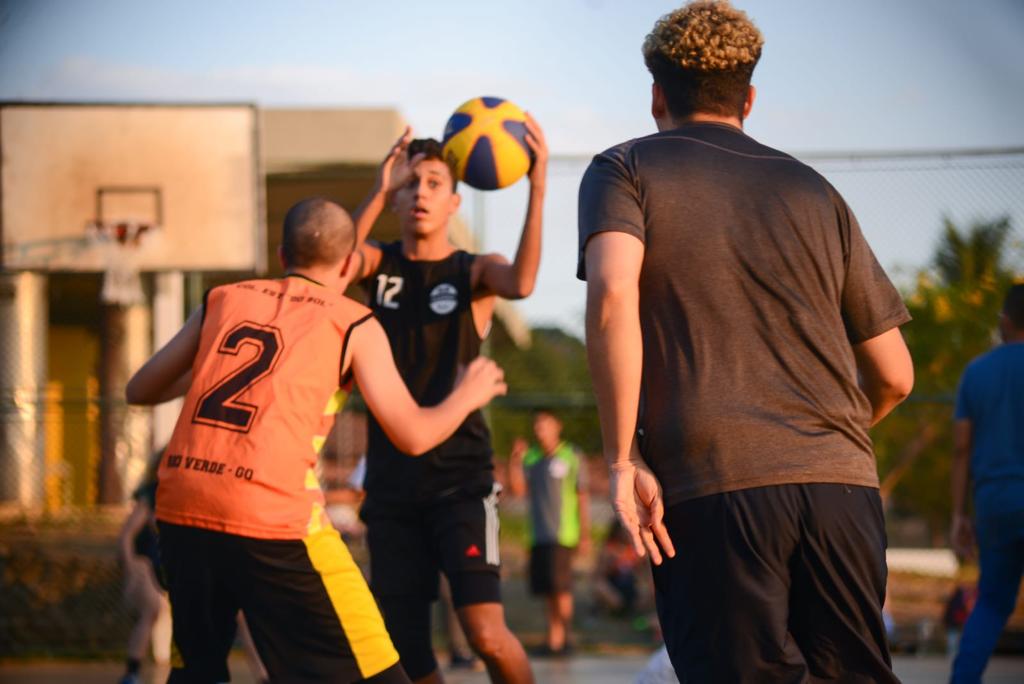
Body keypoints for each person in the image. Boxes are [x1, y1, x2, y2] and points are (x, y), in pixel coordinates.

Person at [578, 2, 915, 680]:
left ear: (655, 96)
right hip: (841, 485)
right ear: (750, 99)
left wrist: (622, 459)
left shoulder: (623, 169)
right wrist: (820, 441)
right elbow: (896, 375)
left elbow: (614, 293)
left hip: (716, 483)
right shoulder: (813, 189)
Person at [125, 197, 508, 683]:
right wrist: (467, 394)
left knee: (199, 670)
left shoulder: (225, 298)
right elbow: (412, 435)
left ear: (283, 255)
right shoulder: (352, 321)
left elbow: (139, 389)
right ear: (350, 264)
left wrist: (209, 365)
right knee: (378, 670)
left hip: (180, 506)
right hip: (271, 516)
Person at [347, 121, 548, 683]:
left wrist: (538, 186)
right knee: (406, 652)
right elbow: (331, 268)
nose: (421, 193)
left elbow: (525, 281)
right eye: (411, 183)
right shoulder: (376, 263)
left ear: (455, 200)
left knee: (485, 633)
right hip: (390, 481)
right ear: (396, 197)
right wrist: (378, 187)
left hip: (460, 479)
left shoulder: (472, 270)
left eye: (434, 182)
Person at [950, 283, 1024, 683]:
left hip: (995, 503)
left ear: (1004, 321)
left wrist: (959, 515)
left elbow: (962, 449)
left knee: (992, 602)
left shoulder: (977, 372)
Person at [507, 410, 590, 656]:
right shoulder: (531, 458)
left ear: (557, 426)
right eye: (537, 426)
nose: (539, 430)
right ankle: (553, 638)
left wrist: (584, 534)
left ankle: (566, 637)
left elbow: (581, 495)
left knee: (561, 588)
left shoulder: (571, 455)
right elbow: (519, 490)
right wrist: (515, 461)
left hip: (563, 533)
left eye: (545, 425)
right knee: (547, 590)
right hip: (538, 534)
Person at [117, 450, 171, 684]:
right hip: (147, 566)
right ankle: (132, 672)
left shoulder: (186, 494)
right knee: (152, 610)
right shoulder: (150, 495)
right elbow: (127, 535)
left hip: (172, 566)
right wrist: (132, 566)